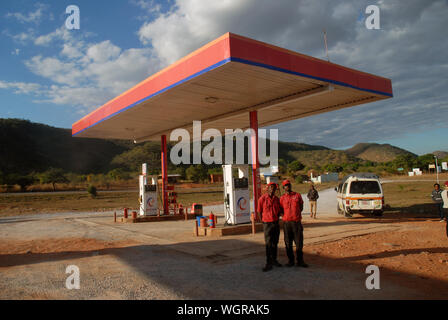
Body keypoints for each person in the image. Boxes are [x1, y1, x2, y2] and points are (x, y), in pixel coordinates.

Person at [280, 180, 308, 268]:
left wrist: (295, 215)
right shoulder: (282, 198)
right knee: (288, 243)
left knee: (299, 242)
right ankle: (290, 261)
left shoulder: (297, 195)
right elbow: (280, 210)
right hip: (287, 223)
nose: (287, 186)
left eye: (288, 185)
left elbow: (301, 207)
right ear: (283, 188)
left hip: (296, 223)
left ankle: (300, 261)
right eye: (285, 185)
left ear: (290, 185)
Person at [258, 182, 282, 272]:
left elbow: (279, 210)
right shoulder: (262, 199)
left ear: (275, 189)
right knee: (268, 243)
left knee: (275, 243)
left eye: (274, 188)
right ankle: (268, 262)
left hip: (275, 223)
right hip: (267, 224)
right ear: (267, 189)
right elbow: (259, 211)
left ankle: (274, 260)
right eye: (271, 187)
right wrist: (263, 222)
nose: (272, 189)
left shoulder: (277, 199)